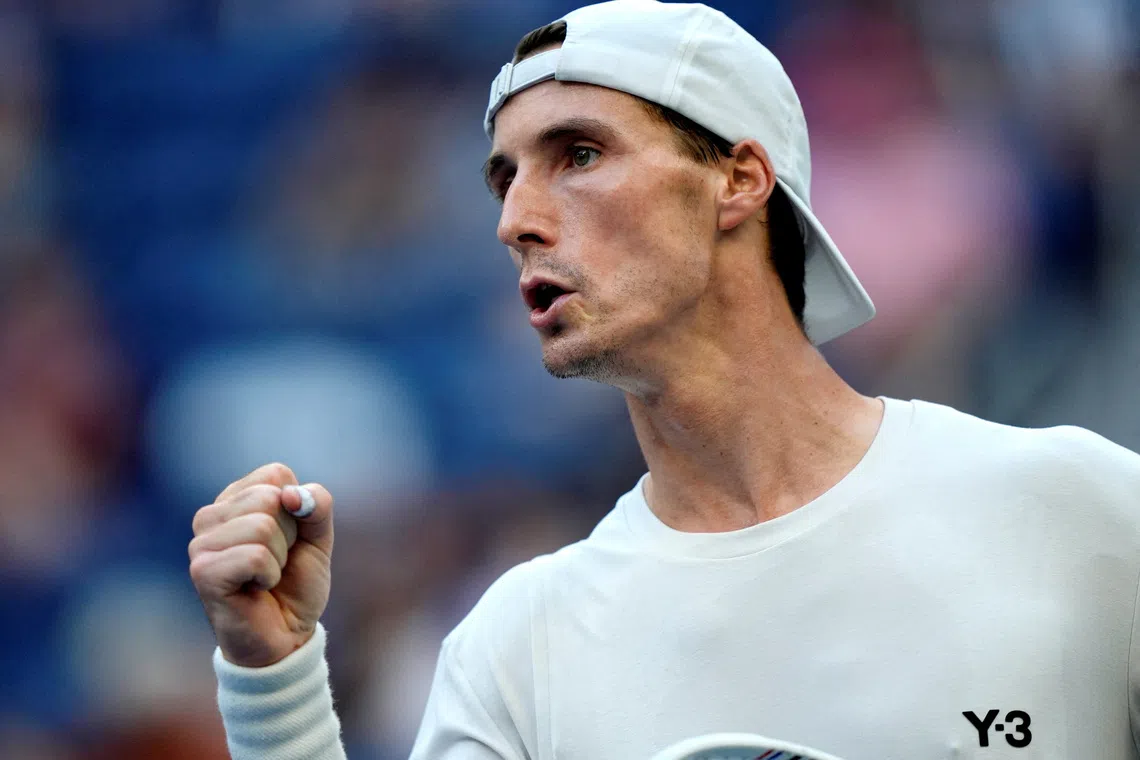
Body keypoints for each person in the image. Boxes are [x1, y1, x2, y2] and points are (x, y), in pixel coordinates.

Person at [188, 2, 1140, 758]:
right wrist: (272, 680)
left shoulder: (1080, 507)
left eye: (579, 154)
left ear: (739, 180)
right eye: (503, 177)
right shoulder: (516, 644)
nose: (515, 217)